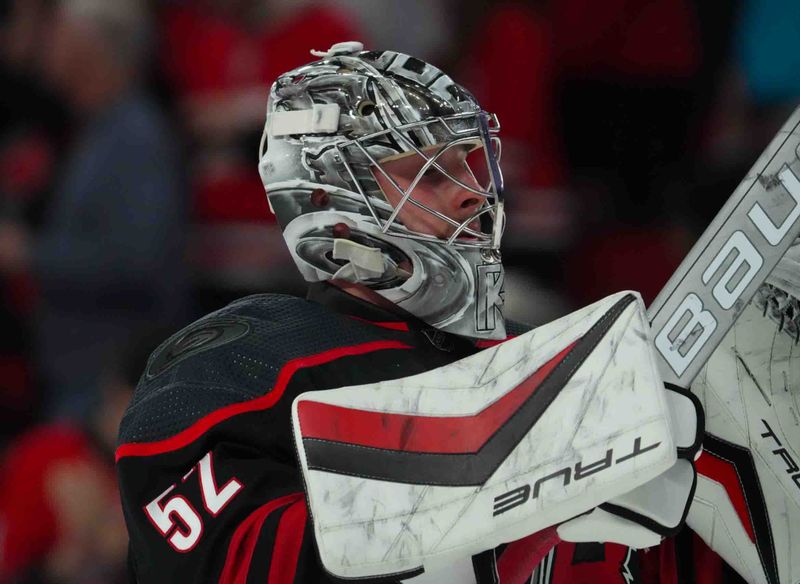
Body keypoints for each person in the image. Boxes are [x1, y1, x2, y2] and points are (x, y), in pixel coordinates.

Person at [116, 43, 699, 583]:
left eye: (471, 162)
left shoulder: (546, 356)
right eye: (429, 167)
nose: (475, 191)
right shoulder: (241, 362)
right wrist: (513, 483)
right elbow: (222, 564)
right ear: (326, 198)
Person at [0, 0, 190, 418]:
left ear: (92, 47)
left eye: (59, 33)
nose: (46, 45)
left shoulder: (136, 136)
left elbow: (137, 260)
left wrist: (27, 253)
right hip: (79, 372)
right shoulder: (97, 128)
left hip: (111, 385)